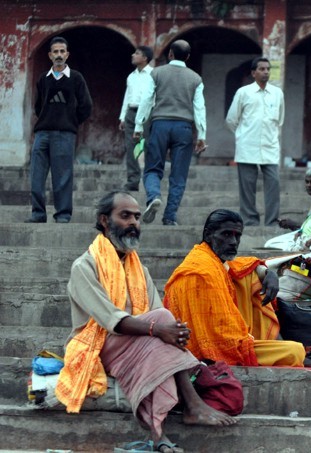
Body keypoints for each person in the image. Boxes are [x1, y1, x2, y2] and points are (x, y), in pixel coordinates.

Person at [56, 191, 235, 453]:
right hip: (97, 345)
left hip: (137, 342)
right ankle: (193, 404)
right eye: (125, 216)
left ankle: (158, 435)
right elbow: (111, 320)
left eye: (137, 217)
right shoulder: (84, 266)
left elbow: (155, 313)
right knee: (163, 323)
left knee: (162, 337)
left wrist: (172, 332)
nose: (133, 223)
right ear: (105, 220)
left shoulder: (140, 269)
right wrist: (159, 329)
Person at [164, 209, 306, 367]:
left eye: (237, 236)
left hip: (229, 342)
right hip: (209, 352)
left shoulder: (212, 260)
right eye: (226, 235)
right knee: (295, 351)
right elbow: (221, 339)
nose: (233, 241)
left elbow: (242, 265)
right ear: (208, 234)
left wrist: (267, 272)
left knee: (248, 274)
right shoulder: (202, 272)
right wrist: (246, 343)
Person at [134, 39, 207, 226]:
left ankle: (153, 197)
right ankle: (170, 216)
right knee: (178, 175)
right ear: (188, 57)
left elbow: (147, 100)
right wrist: (202, 136)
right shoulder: (195, 78)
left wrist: (138, 126)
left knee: (152, 168)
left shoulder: (156, 73)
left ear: (171, 54)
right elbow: (200, 108)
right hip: (183, 128)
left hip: (160, 125)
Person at [26, 36, 92, 224]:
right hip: (42, 133)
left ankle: (63, 215)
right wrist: (48, 120)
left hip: (65, 134)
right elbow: (38, 106)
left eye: (62, 51)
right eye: (55, 52)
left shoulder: (76, 78)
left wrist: (70, 122)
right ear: (50, 55)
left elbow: (86, 106)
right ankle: (38, 213)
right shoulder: (43, 78)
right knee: (36, 176)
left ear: (67, 54)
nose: (59, 55)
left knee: (62, 177)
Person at [226, 57, 285, 226]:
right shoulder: (243, 92)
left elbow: (280, 120)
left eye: (268, 69)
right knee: (247, 187)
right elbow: (231, 119)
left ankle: (272, 221)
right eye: (261, 69)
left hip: (270, 146)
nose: (266, 71)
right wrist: (242, 135)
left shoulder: (277, 93)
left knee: (273, 184)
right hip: (247, 146)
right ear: (253, 73)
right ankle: (250, 220)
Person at [264, 168, 311, 251]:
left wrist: (298, 226)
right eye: (307, 182)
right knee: (270, 244)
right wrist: (299, 229)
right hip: (304, 236)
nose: (309, 185)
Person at [118, 45, 154, 192]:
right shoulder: (131, 76)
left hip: (146, 113)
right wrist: (122, 117)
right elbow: (127, 97)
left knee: (146, 145)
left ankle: (149, 180)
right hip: (131, 113)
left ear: (145, 58)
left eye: (137, 53)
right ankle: (132, 181)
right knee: (131, 147)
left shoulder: (154, 74)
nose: (133, 55)